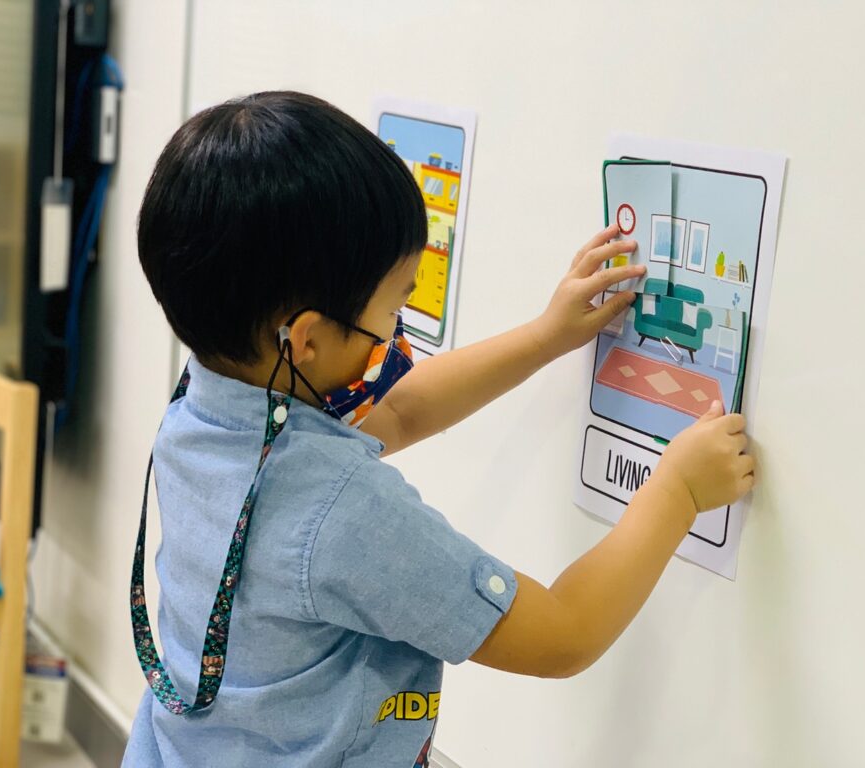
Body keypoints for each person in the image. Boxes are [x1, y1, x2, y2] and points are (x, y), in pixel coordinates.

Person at [122, 91, 754, 767]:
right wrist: (678, 490)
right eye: (394, 304)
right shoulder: (343, 513)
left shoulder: (204, 410)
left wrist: (546, 336)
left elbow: (399, 412)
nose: (396, 327)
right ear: (303, 340)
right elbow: (564, 636)